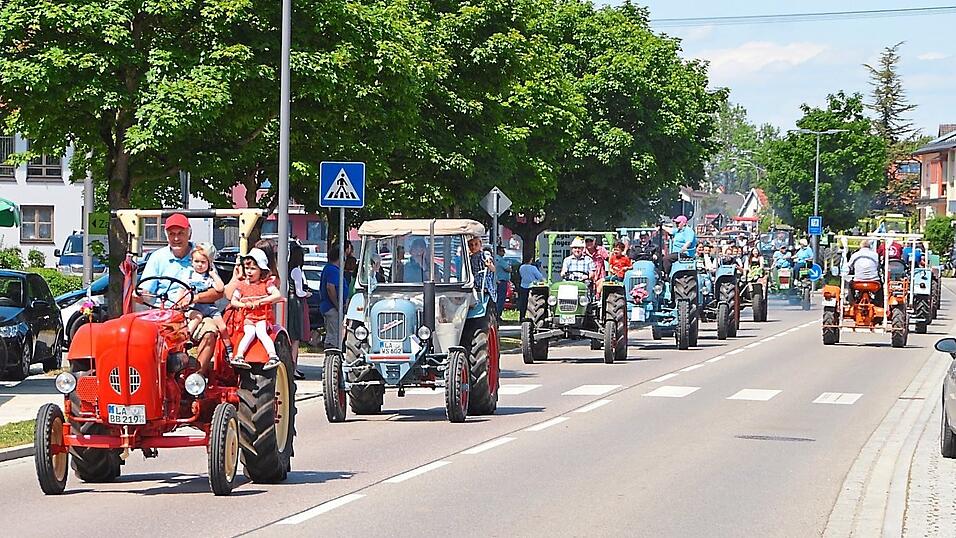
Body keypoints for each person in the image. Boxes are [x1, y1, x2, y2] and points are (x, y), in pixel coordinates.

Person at [139, 213, 222, 375]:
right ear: (167, 236)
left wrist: (195, 298)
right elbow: (146, 291)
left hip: (196, 312)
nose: (176, 238)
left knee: (210, 331)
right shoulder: (157, 258)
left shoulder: (200, 255)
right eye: (172, 234)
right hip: (164, 313)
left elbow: (218, 291)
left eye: (180, 233)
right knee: (141, 336)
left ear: (189, 233)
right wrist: (141, 295)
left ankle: (195, 383)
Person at [230, 248, 282, 370]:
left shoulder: (266, 284)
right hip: (248, 317)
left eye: (253, 268)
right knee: (249, 333)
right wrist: (244, 305)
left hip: (262, 317)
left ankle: (272, 356)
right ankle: (239, 355)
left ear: (261, 270)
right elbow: (234, 301)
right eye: (247, 268)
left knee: (261, 332)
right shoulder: (242, 286)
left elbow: (277, 295)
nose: (249, 271)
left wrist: (261, 301)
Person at [181, 243, 231, 359]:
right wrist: (182, 301)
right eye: (197, 261)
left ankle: (229, 351)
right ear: (192, 262)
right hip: (193, 306)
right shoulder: (189, 275)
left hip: (209, 307)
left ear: (209, 263)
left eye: (203, 262)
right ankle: (186, 338)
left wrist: (214, 274)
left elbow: (220, 288)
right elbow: (182, 290)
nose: (199, 265)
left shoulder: (209, 277)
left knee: (222, 327)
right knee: (197, 317)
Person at [287, 244, 311, 380]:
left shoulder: (289, 268)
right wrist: (307, 294)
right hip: (295, 302)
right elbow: (299, 291)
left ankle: (294, 367)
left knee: (293, 336)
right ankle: (293, 368)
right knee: (295, 337)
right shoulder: (296, 271)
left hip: (291, 301)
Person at [319, 244, 348, 349]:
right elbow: (330, 288)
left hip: (329, 307)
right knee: (334, 336)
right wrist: (337, 305)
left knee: (335, 333)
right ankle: (332, 356)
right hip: (331, 308)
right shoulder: (332, 270)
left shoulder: (330, 269)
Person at [494, 246, 512, 315]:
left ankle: (496, 314)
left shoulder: (494, 258)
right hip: (502, 282)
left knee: (497, 298)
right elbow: (508, 269)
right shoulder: (500, 260)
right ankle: (498, 314)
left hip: (497, 281)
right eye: (502, 250)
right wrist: (510, 267)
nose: (504, 252)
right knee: (501, 299)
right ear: (498, 251)